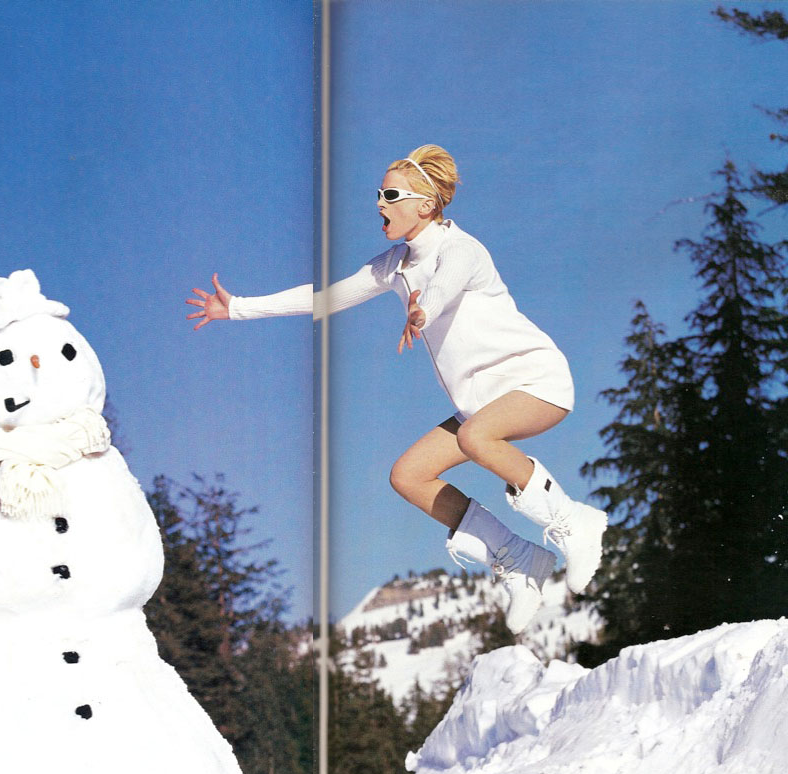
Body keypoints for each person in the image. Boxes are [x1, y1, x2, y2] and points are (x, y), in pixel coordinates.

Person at [185, 144, 606, 634]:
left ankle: (574, 521)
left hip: (534, 379)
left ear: (425, 205)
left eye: (390, 195)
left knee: (475, 438)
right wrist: (238, 308)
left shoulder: (461, 249)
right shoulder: (394, 265)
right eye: (378, 194)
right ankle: (518, 558)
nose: (379, 204)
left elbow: (444, 284)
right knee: (409, 475)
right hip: (481, 403)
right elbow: (325, 299)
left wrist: (421, 310)